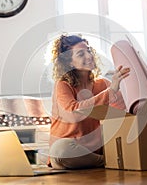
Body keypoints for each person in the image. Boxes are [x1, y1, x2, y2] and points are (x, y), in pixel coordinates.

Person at [48, 34, 130, 169]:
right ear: (69, 62)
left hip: (95, 149)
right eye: (81, 54)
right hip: (69, 149)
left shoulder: (102, 84)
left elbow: (123, 110)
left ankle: (103, 159)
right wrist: (111, 92)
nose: (89, 56)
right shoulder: (62, 84)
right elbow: (73, 112)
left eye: (89, 50)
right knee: (61, 150)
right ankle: (107, 161)